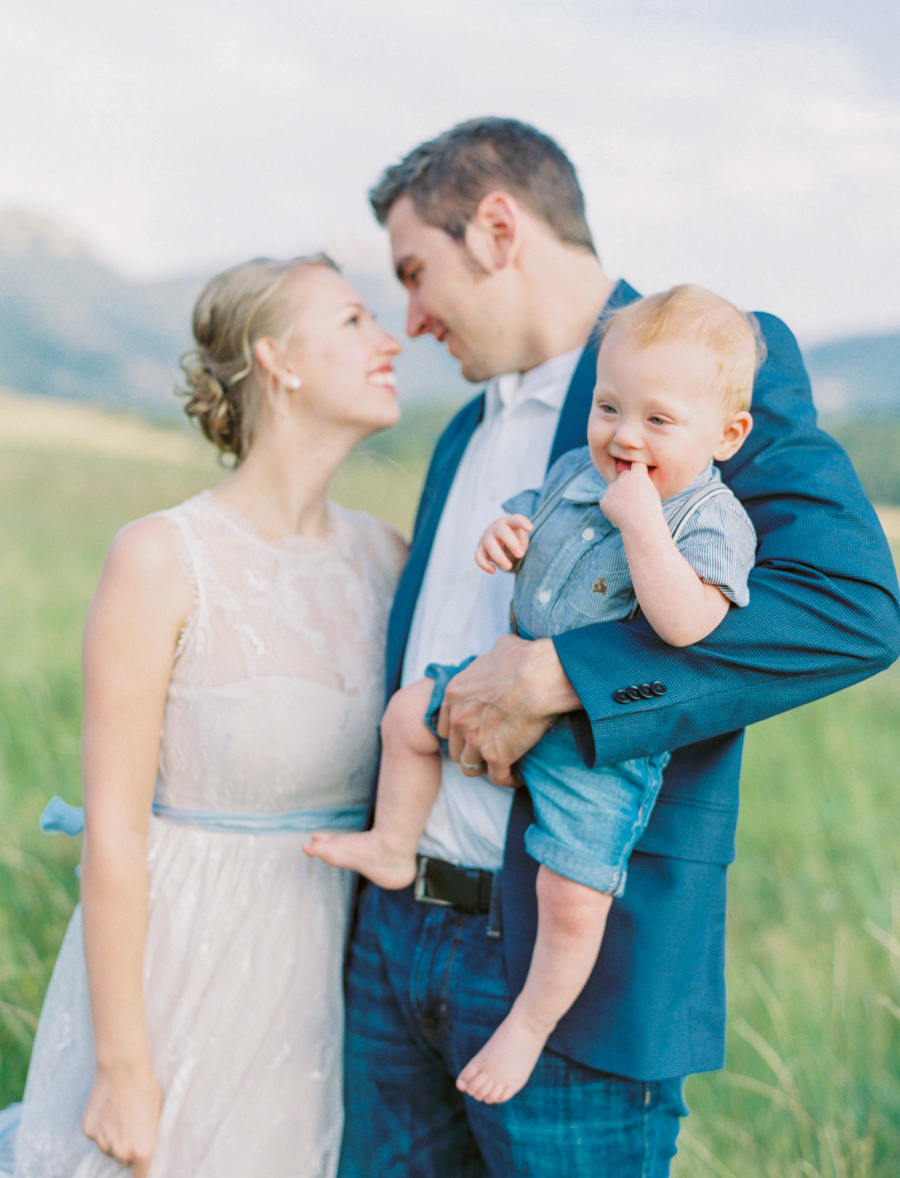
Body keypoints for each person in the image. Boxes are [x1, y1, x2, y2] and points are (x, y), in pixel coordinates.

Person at [335, 118, 900, 1177]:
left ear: (499, 229)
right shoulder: (467, 425)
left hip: (577, 956)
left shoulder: (704, 366)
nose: (410, 319)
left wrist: (562, 675)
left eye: (417, 272)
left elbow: (852, 606)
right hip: (396, 943)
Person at [307, 284, 759, 1104]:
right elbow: (533, 519)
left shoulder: (709, 517)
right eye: (609, 407)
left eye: (657, 422)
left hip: (596, 748)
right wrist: (507, 534)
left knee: (572, 891)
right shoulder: (574, 473)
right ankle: (392, 842)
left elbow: (687, 622)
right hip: (498, 685)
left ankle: (531, 1024)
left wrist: (643, 525)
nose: (624, 436)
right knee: (408, 714)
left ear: (726, 435)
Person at [11, 255, 407, 1178]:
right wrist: (123, 1068)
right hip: (181, 971)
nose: (388, 340)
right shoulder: (161, 558)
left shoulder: (386, 558)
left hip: (324, 983)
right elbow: (113, 833)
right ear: (279, 360)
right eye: (353, 321)